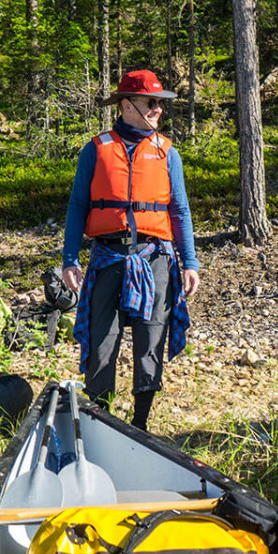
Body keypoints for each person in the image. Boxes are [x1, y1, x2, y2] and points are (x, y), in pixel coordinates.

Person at [60, 70, 201, 431]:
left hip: (155, 259)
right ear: (127, 105)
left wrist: (190, 262)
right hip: (107, 257)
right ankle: (101, 420)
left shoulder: (168, 153)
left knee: (150, 338)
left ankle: (140, 424)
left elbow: (180, 210)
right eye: (151, 103)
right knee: (101, 340)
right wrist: (70, 260)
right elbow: (78, 205)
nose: (158, 109)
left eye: (160, 104)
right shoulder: (96, 149)